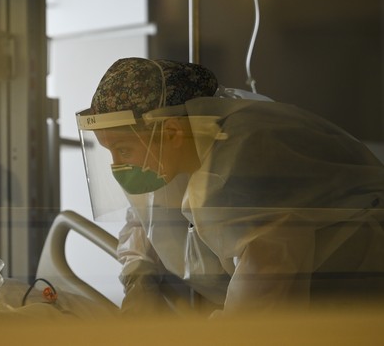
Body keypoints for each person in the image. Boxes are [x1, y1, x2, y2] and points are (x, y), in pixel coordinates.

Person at [76, 57, 384, 316]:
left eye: (124, 150)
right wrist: (138, 277)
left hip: (355, 300)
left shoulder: (248, 162)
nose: (116, 165)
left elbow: (259, 305)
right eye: (110, 152)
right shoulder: (172, 151)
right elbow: (143, 219)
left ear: (170, 132)